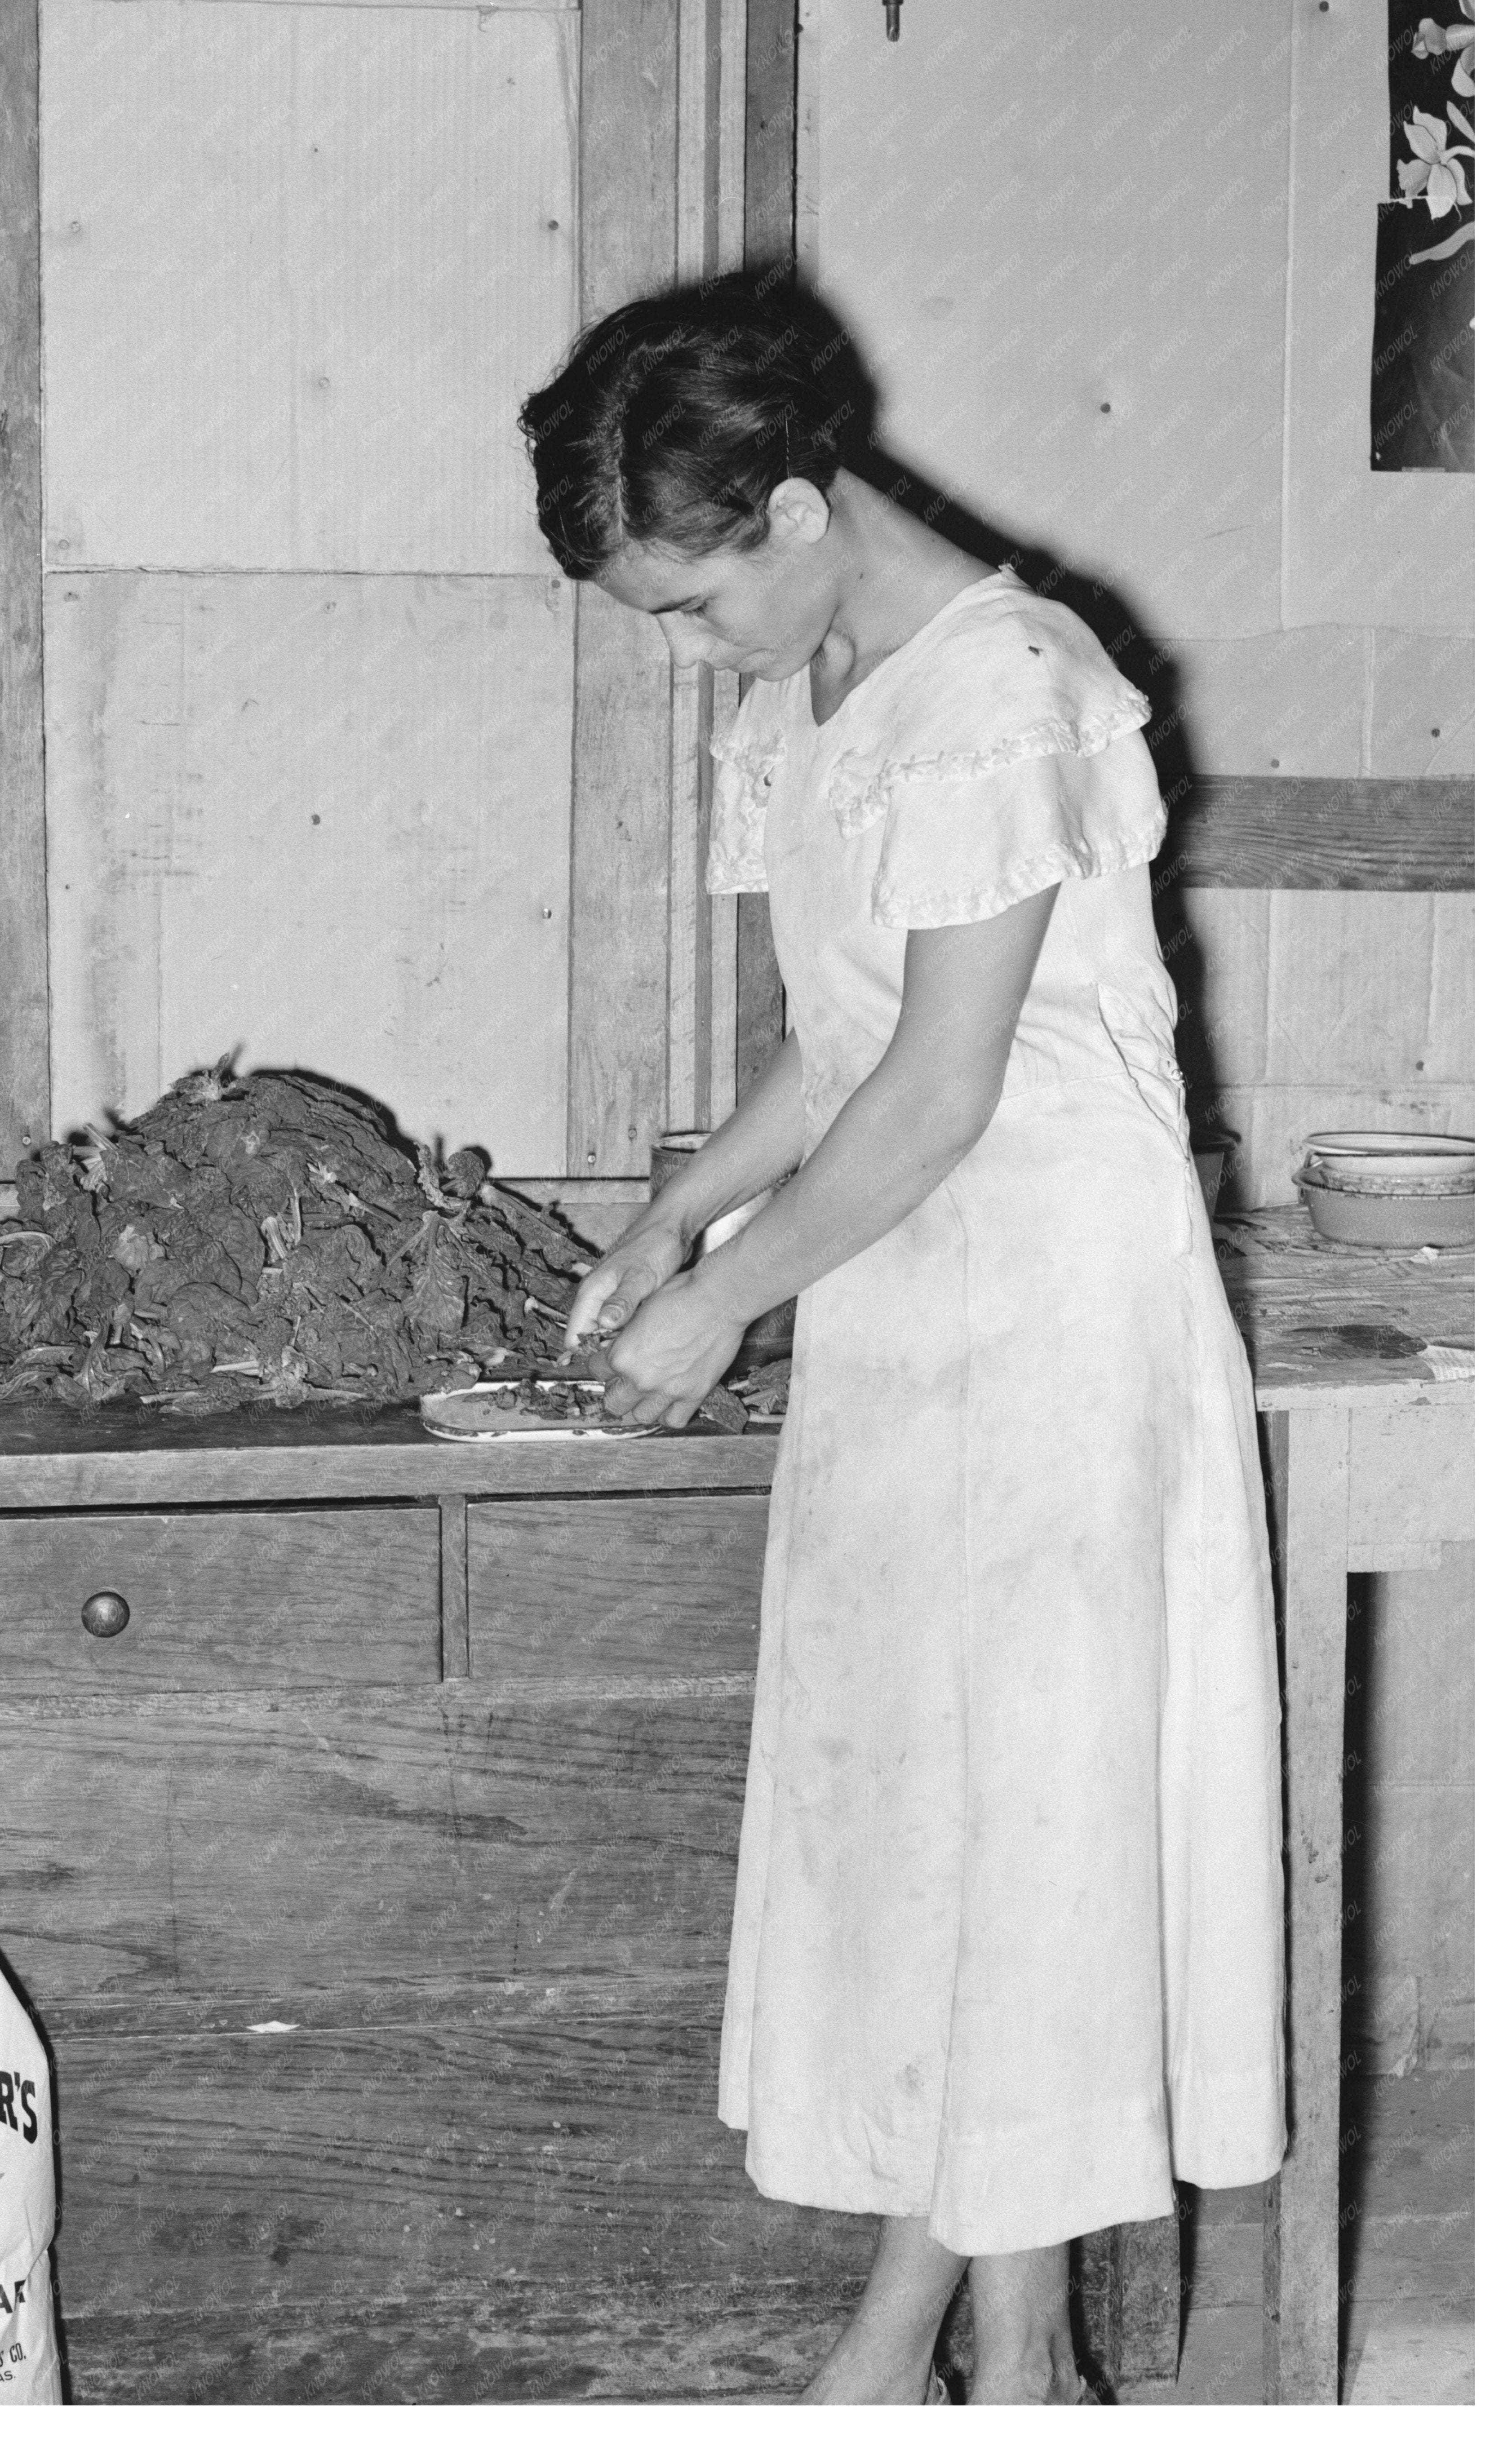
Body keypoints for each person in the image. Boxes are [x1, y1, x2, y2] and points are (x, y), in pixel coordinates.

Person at [519, 292, 1286, 2406]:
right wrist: (677, 1214)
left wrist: (726, 1298)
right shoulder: (825, 688)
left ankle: (907, 2358)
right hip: (896, 1293)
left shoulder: (1005, 692)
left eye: (690, 606)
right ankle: (1016, 2363)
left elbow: (942, 1093)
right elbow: (841, 1041)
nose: (691, 655)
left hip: (1054, 1318)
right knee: (934, 1839)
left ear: (791, 512)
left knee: (1027, 1837)